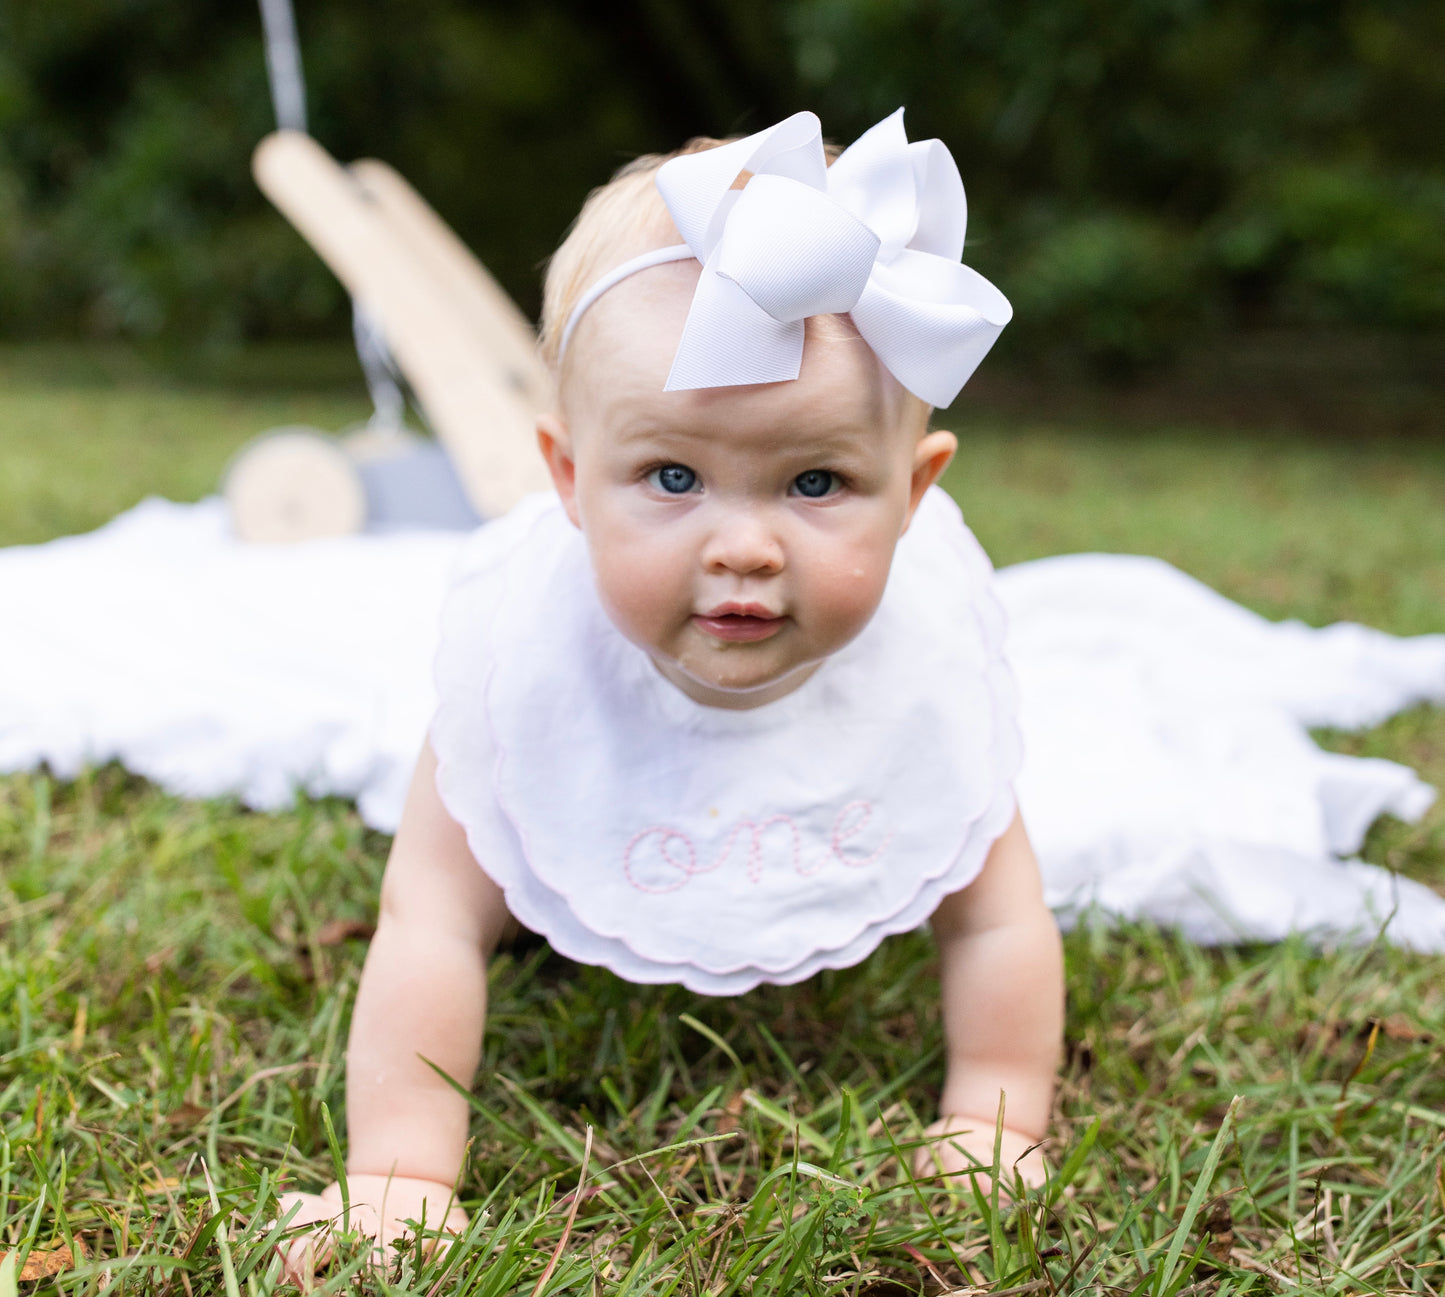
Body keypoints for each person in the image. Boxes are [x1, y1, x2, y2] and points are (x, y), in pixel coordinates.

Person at [278, 108, 1065, 1267]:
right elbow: (431, 920)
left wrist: (993, 1113)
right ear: (567, 477)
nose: (741, 546)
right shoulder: (521, 673)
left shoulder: (922, 677)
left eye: (814, 479)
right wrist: (396, 1173)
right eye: (672, 475)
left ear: (913, 491)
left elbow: (996, 917)